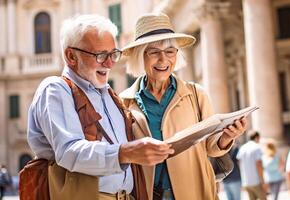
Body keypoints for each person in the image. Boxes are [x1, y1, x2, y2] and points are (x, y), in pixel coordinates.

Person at [27, 14, 174, 200]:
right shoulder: (55, 89)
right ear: (71, 56)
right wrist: (126, 152)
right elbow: (70, 152)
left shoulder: (109, 94)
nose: (110, 62)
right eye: (101, 55)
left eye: (113, 53)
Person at [119, 13, 247, 200]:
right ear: (140, 56)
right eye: (154, 52)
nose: (163, 60)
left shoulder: (196, 94)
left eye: (170, 51)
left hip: (195, 194)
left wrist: (226, 138)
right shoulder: (124, 102)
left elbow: (212, 147)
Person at [236, 130, 267, 200]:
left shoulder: (242, 148)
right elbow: (259, 164)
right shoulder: (257, 147)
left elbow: (238, 162)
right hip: (256, 181)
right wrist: (263, 181)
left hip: (246, 181)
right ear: (257, 138)